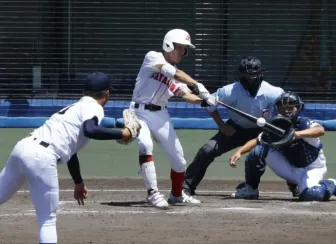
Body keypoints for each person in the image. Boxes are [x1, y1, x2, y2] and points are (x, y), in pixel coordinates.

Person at [0, 72, 141, 244]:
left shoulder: (74, 108)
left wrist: (78, 182)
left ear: (84, 91)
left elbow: (70, 151)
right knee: (48, 220)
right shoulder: (94, 107)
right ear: (107, 94)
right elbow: (91, 130)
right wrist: (123, 133)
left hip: (22, 148)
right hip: (41, 157)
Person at [182, 56, 299, 197]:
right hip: (235, 129)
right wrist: (222, 126)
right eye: (247, 74)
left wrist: (276, 125)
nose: (251, 78)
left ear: (261, 73)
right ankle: (186, 187)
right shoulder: (228, 91)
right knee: (207, 150)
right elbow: (210, 105)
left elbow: (286, 108)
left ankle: (296, 186)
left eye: (255, 74)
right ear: (240, 74)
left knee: (287, 150)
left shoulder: (273, 92)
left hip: (264, 131)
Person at [129, 28, 215, 209]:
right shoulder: (153, 57)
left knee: (179, 160)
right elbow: (172, 73)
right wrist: (197, 84)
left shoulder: (177, 74)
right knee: (146, 145)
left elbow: (185, 95)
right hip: (139, 112)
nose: (183, 53)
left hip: (160, 115)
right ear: (169, 45)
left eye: (185, 49)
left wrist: (205, 101)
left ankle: (176, 195)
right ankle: (152, 193)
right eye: (180, 48)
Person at [229, 91, 336, 202]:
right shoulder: (276, 127)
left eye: (290, 106)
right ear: (278, 108)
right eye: (283, 106)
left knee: (312, 195)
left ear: (298, 108)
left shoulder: (303, 123)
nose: (286, 109)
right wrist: (239, 152)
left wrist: (296, 135)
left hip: (312, 169)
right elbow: (257, 140)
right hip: (290, 169)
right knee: (258, 151)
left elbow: (320, 130)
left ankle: (331, 184)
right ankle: (250, 189)